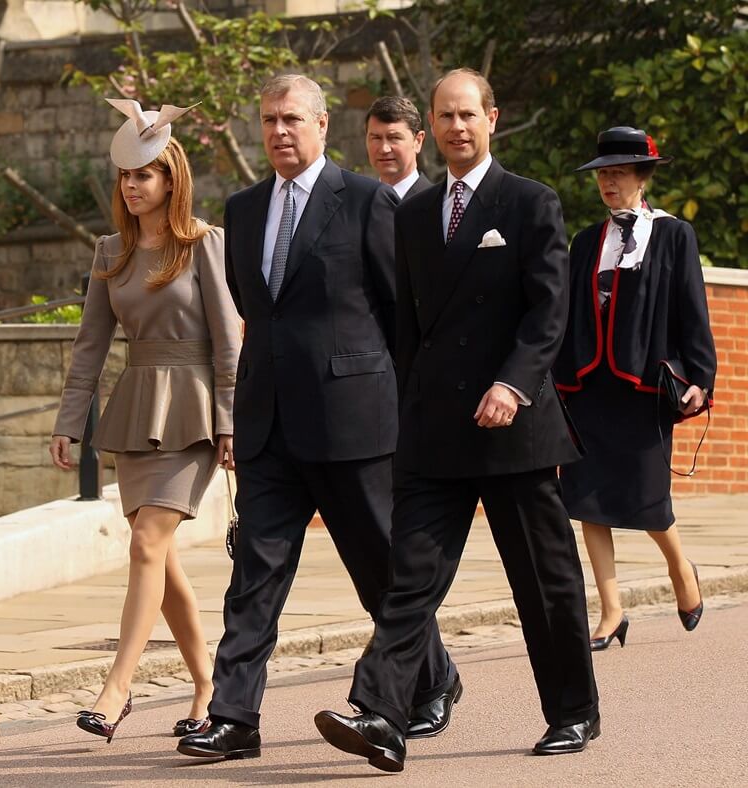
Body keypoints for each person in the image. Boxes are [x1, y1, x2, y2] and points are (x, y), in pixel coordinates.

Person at [314, 69, 600, 772]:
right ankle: (381, 712)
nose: (456, 127)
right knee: (408, 578)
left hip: (514, 428)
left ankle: (573, 712)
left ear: (491, 118)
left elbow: (549, 312)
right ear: (431, 128)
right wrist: (406, 403)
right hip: (434, 430)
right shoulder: (410, 214)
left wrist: (513, 383)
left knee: (543, 580)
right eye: (444, 116)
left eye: (467, 114)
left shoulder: (530, 203)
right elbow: (404, 321)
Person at [177, 74, 456, 763]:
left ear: (323, 125)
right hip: (269, 423)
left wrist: (409, 411)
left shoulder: (365, 201)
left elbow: (403, 315)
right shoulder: (241, 210)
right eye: (269, 119)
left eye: (292, 119)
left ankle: (435, 678)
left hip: (355, 423)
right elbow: (254, 308)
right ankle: (234, 717)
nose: (279, 131)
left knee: (380, 570)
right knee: (255, 576)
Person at [50, 98, 240, 743]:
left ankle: (118, 688)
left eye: (145, 176)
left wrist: (230, 421)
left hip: (192, 410)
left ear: (171, 180)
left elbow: (228, 338)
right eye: (126, 177)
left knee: (145, 545)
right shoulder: (110, 252)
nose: (133, 187)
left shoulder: (205, 243)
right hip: (136, 410)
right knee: (159, 559)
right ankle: (209, 683)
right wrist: (69, 423)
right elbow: (89, 347)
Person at [555, 126, 715, 650]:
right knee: (586, 500)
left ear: (642, 177)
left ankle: (681, 569)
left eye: (619, 173)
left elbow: (693, 311)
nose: (609, 182)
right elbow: (567, 314)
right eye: (603, 174)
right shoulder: (584, 243)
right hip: (587, 387)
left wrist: (700, 379)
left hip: (642, 387)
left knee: (648, 499)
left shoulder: (673, 235)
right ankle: (610, 611)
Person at [365, 96, 430, 200]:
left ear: (418, 141)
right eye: (376, 138)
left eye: (394, 138)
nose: (384, 149)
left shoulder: (439, 206)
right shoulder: (358, 205)